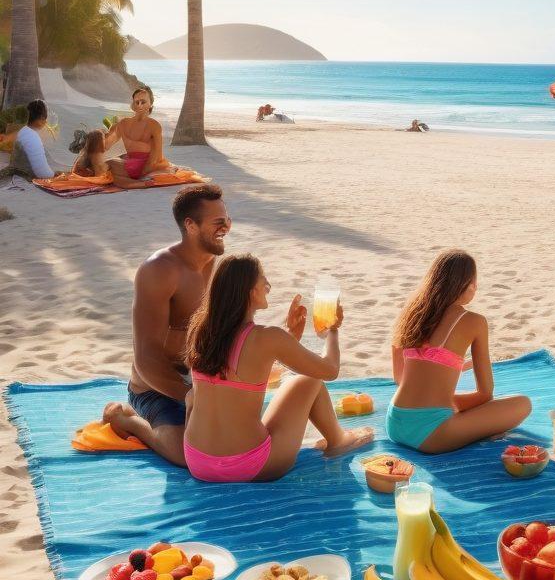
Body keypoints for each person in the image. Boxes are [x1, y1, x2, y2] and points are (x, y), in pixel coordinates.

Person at [183, 255, 373, 482]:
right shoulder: (268, 337)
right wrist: (332, 329)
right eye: (265, 281)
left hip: (198, 463)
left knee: (194, 396)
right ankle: (338, 441)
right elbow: (329, 369)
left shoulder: (202, 333)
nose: (268, 287)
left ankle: (337, 439)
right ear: (251, 291)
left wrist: (290, 337)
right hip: (249, 465)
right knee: (309, 380)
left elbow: (241, 377)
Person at [103, 184, 231, 466]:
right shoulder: (160, 270)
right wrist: (191, 396)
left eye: (227, 220)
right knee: (188, 456)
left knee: (237, 443)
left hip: (201, 379)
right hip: (156, 387)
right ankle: (128, 419)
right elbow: (146, 356)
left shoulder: (219, 268)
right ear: (191, 225)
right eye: (218, 222)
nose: (227, 227)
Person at [387, 249, 531, 453]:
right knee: (522, 404)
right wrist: (449, 404)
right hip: (431, 435)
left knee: (446, 404)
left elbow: (400, 378)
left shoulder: (411, 314)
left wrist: (442, 393)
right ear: (467, 284)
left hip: (395, 422)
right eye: (474, 281)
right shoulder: (474, 321)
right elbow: (485, 394)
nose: (476, 287)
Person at [104, 86, 171, 184]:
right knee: (104, 166)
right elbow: (107, 145)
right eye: (137, 102)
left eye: (143, 102)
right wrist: (106, 133)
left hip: (145, 164)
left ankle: (136, 183)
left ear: (150, 104)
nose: (139, 105)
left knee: (108, 164)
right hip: (131, 161)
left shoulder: (154, 125)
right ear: (133, 104)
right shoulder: (123, 123)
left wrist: (143, 172)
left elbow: (158, 156)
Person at [13, 100, 63, 179]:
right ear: (41, 118)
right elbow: (42, 173)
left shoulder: (24, 131)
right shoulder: (32, 137)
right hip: (27, 181)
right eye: (45, 118)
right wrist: (55, 176)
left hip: (19, 175)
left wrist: (53, 173)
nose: (46, 122)